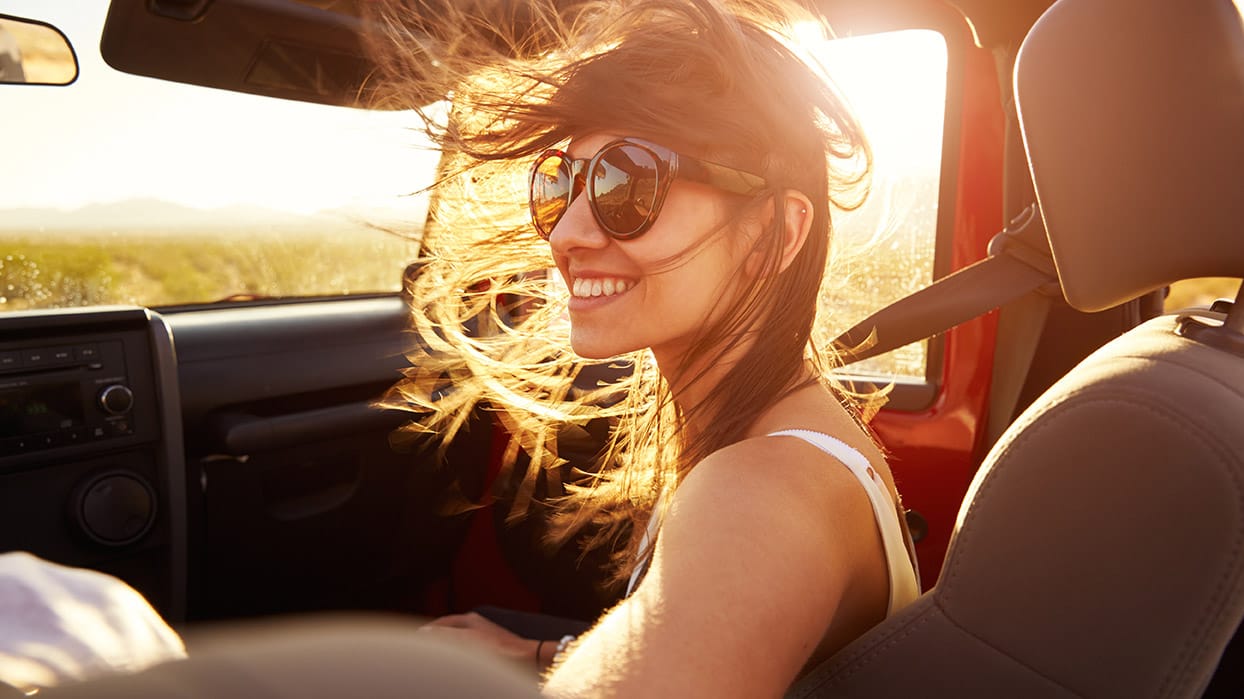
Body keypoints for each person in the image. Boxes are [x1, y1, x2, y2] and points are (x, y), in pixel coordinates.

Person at [366, 0, 921, 695]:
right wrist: (542, 650)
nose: (565, 233)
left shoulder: (764, 488)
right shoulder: (764, 431)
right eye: (559, 183)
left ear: (774, 233)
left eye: (626, 183)